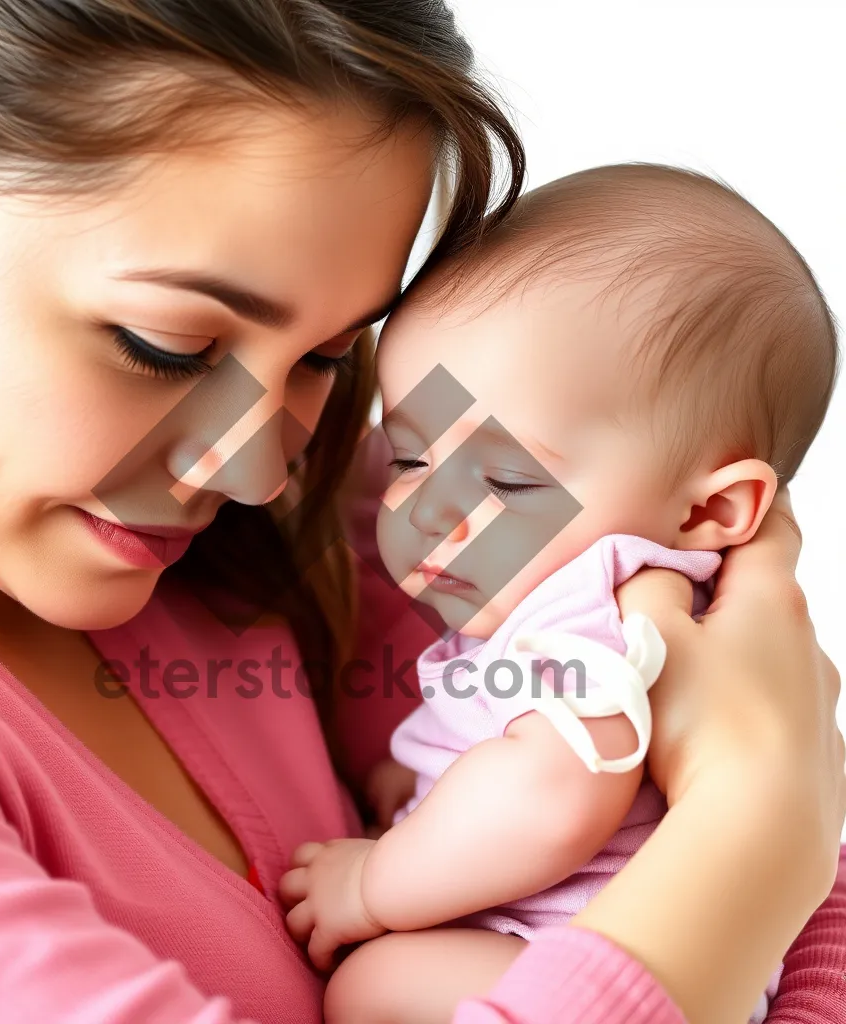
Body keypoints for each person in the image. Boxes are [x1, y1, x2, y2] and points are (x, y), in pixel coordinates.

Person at [0, 3, 841, 1023]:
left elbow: (747, 898)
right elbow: (739, 842)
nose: (257, 470)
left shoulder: (334, 511)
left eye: (323, 357)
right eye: (166, 344)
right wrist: (757, 822)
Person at [279, 163, 839, 1023]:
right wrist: (426, 780)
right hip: (662, 950)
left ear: (710, 509)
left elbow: (558, 793)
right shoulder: (585, 599)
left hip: (595, 955)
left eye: (506, 477)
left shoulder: (598, 606)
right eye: (411, 458)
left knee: (372, 987)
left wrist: (376, 883)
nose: (429, 512)